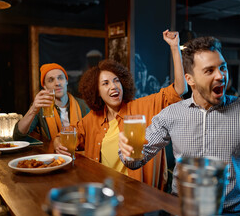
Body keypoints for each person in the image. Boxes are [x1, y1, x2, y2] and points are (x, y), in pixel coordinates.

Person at [119, 36, 240, 214]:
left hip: (230, 215)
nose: (220, 76)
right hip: (181, 211)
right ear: (190, 79)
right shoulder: (171, 114)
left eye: (222, 67)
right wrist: (128, 151)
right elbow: (134, 162)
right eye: (209, 71)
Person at [53, 30, 187, 190]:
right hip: (104, 192)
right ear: (97, 92)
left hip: (138, 194)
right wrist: (57, 140)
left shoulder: (141, 107)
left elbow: (179, 88)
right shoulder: (92, 119)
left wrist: (174, 47)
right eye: (105, 83)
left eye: (116, 81)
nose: (113, 86)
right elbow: (70, 134)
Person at [13, 63, 89, 141]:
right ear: (45, 86)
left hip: (79, 152)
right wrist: (32, 110)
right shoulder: (40, 108)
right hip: (52, 152)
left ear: (66, 81)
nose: (57, 83)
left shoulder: (84, 106)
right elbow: (18, 136)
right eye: (51, 80)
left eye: (60, 78)